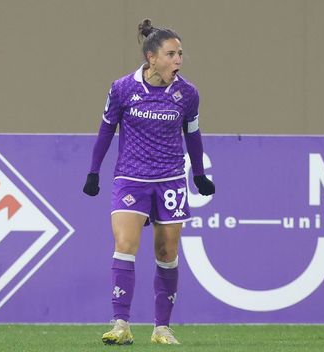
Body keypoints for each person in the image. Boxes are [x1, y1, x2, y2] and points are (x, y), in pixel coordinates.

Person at [83, 18, 215, 345]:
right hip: (130, 178)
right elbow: (105, 131)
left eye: (181, 54)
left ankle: (161, 328)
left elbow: (193, 135)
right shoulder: (122, 89)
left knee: (166, 252)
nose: (179, 61)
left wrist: (198, 174)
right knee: (125, 245)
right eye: (171, 54)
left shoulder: (187, 94)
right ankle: (121, 324)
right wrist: (93, 171)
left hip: (170, 180)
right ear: (151, 57)